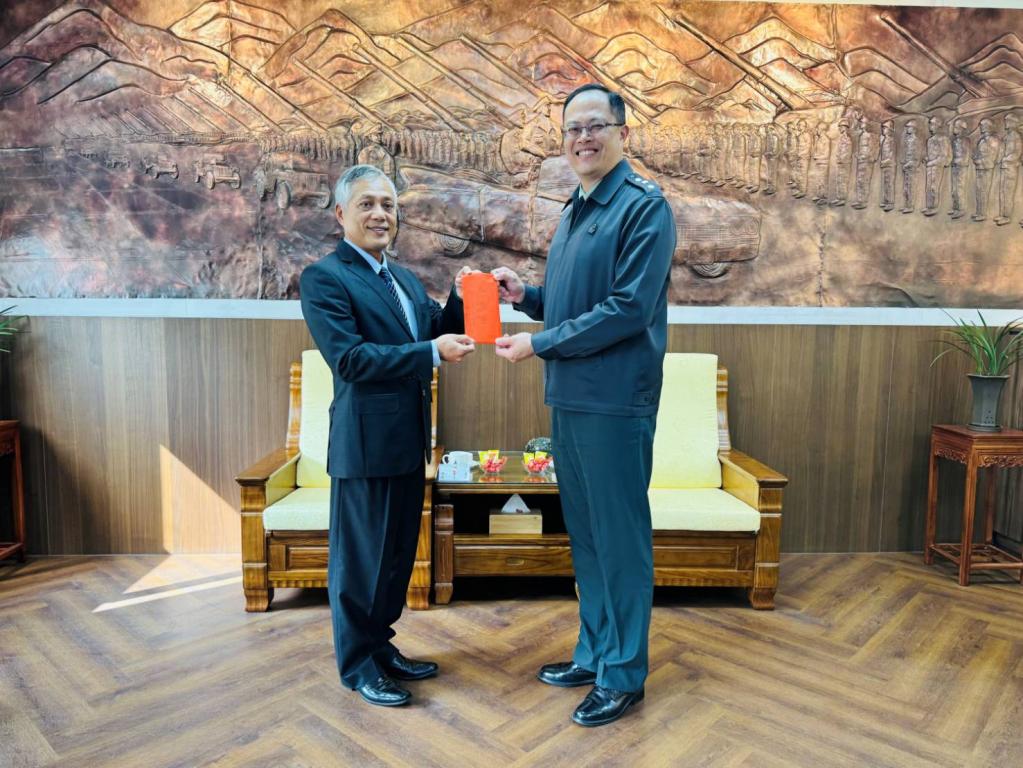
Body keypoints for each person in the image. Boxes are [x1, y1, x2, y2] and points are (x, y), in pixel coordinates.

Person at [490, 83, 676, 728]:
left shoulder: (644, 208)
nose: (583, 138)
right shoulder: (576, 206)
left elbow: (626, 310)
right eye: (573, 128)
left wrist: (538, 343)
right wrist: (527, 296)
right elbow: (576, 302)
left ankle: (623, 675)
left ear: (623, 132)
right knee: (590, 539)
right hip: (570, 398)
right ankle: (595, 654)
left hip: (615, 403)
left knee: (620, 542)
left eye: (596, 125)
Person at [299, 164, 476, 707]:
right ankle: (358, 666)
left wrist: (460, 296)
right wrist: (429, 353)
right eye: (367, 204)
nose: (381, 214)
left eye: (389, 205)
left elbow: (435, 331)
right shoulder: (325, 278)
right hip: (364, 446)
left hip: (408, 443)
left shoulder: (402, 279)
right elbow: (350, 360)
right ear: (341, 214)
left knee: (395, 559)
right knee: (360, 565)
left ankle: (381, 646)